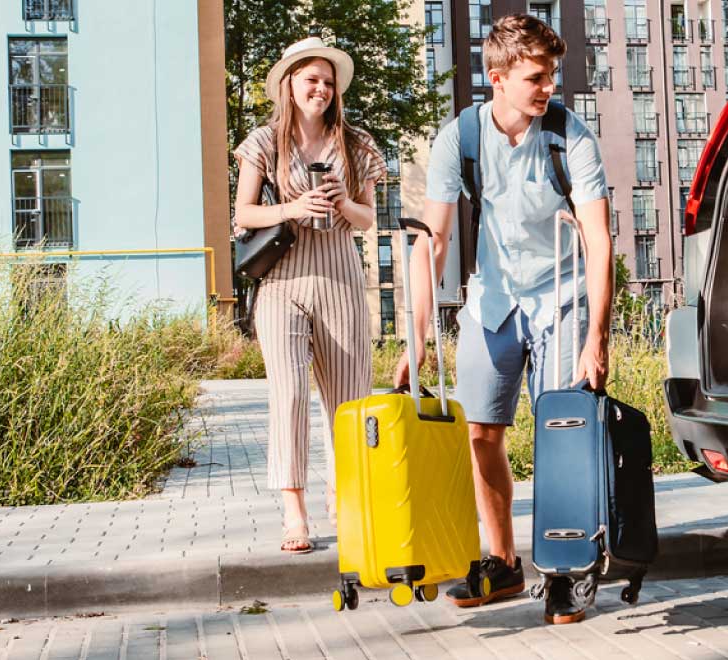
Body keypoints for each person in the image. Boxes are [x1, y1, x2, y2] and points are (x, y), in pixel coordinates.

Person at [394, 14, 612, 624]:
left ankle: (565, 571)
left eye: (552, 76)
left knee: (562, 434)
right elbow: (431, 243)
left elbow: (598, 240)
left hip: (561, 293)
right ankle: (505, 562)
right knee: (479, 433)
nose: (549, 88)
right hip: (493, 298)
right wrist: (416, 338)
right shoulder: (459, 138)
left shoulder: (572, 138)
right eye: (537, 77)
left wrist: (596, 335)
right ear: (498, 78)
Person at [232, 37, 386, 555]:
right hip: (282, 283)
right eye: (310, 79)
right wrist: (291, 208)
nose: (319, 88)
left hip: (341, 278)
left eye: (327, 81)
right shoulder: (264, 142)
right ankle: (294, 510)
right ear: (289, 85)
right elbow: (243, 216)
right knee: (291, 395)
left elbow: (369, 220)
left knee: (349, 401)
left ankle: (344, 494)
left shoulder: (356, 144)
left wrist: (343, 200)